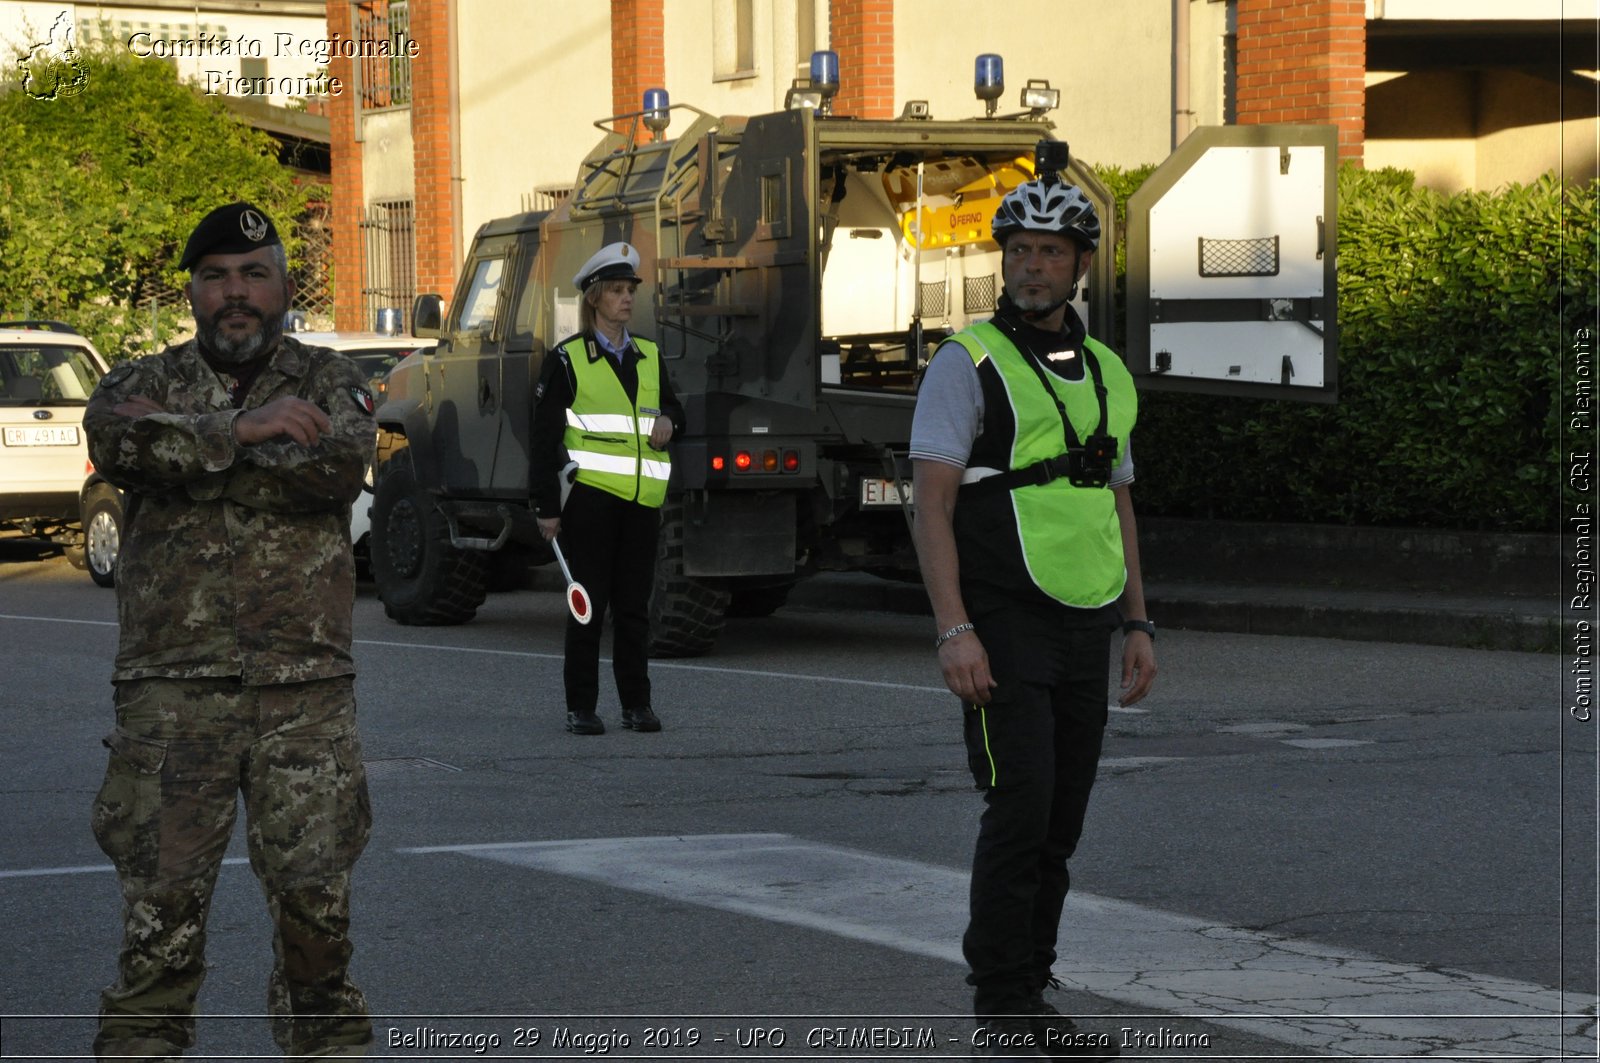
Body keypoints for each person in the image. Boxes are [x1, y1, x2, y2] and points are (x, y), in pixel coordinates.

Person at [85, 202, 376, 1060]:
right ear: (193, 291)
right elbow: (116, 444)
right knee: (159, 930)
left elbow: (332, 468)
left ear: (285, 285)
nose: (235, 293)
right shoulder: (138, 380)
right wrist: (243, 431)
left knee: (317, 927)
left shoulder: (328, 380)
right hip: (171, 698)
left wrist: (190, 455)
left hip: (304, 697)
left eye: (252, 274)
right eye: (215, 277)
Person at [909, 171, 1157, 1059]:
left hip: (1086, 615)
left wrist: (1138, 622)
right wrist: (953, 628)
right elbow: (930, 503)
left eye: (1052, 251)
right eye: (1019, 251)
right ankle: (1002, 1002)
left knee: (1064, 817)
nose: (1033, 266)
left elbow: (1117, 500)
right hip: (1000, 616)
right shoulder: (967, 361)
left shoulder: (1106, 372)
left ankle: (1032, 986)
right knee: (1020, 806)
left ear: (1081, 264)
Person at [531, 241, 683, 735]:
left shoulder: (649, 356)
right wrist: (546, 509)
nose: (626, 299)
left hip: (641, 504)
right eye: (616, 291)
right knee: (588, 608)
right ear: (594, 298)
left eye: (629, 291)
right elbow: (543, 440)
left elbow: (677, 410)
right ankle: (582, 707)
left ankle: (637, 705)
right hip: (590, 503)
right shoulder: (569, 360)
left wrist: (668, 421)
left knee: (634, 609)